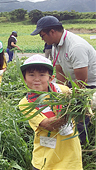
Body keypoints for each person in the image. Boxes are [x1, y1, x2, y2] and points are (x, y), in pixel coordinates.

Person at [18, 54, 82, 170]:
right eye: (31, 75)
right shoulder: (26, 103)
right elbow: (48, 125)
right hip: (43, 158)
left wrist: (84, 104)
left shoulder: (63, 91)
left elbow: (81, 112)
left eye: (42, 75)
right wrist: (71, 109)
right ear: (24, 79)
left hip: (68, 159)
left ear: (51, 78)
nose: (37, 79)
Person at [31, 15, 96, 144]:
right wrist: (60, 92)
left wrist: (71, 99)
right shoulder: (56, 45)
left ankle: (82, 146)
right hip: (74, 83)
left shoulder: (76, 46)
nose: (42, 39)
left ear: (52, 32)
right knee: (66, 111)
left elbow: (82, 81)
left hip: (89, 85)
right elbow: (60, 71)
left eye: (42, 35)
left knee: (79, 116)